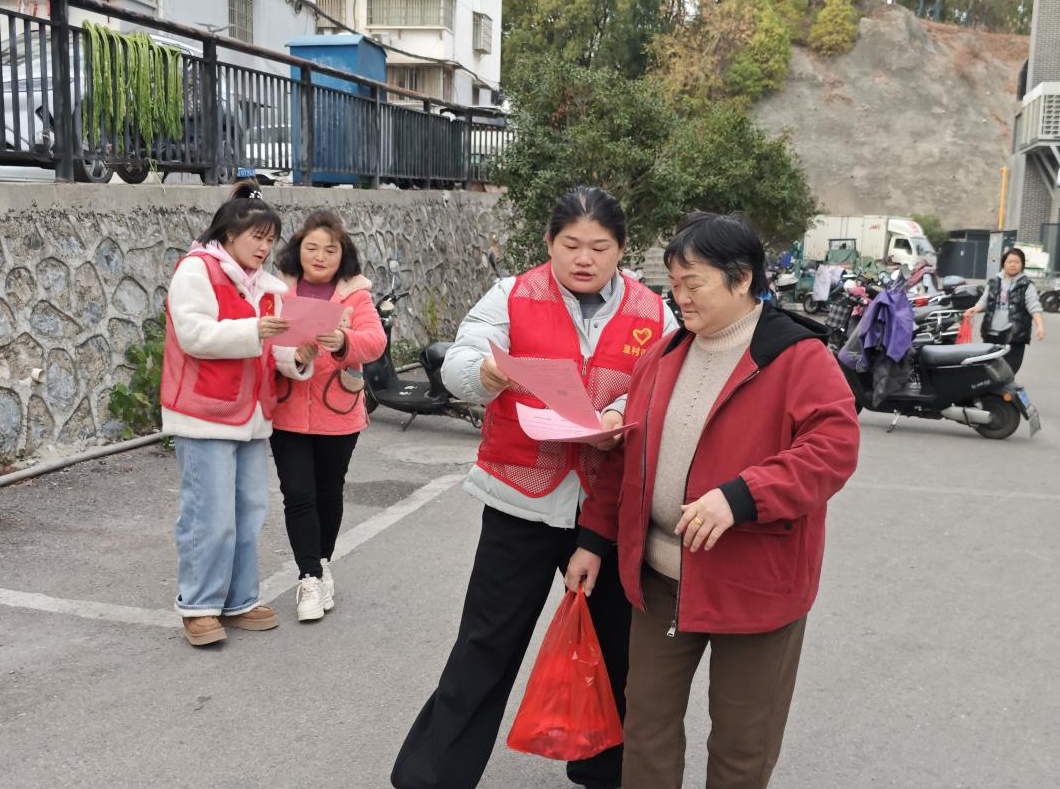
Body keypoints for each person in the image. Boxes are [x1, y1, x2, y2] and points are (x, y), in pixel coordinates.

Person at [390, 186, 680, 789]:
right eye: (570, 244)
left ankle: (604, 771)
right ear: (549, 243)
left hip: (606, 506)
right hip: (520, 500)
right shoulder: (513, 294)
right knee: (487, 643)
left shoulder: (653, 312)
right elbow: (459, 362)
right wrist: (487, 371)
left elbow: (668, 384)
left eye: (599, 246)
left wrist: (620, 412)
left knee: (615, 648)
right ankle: (432, 777)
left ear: (621, 250)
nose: (584, 258)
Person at [566, 212, 860, 789]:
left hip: (754, 587)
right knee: (646, 726)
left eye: (693, 282)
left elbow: (833, 449)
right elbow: (627, 459)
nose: (680, 297)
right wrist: (593, 540)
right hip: (660, 580)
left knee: (741, 742)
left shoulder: (797, 357)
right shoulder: (664, 355)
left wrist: (742, 496)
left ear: (742, 278)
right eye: (674, 283)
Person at [162, 182, 318, 647]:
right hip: (205, 411)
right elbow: (193, 335)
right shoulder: (196, 269)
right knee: (209, 515)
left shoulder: (265, 286)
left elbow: (270, 348)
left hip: (250, 413)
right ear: (229, 234)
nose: (265, 248)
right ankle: (199, 605)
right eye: (257, 237)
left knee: (248, 512)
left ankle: (239, 600)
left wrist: (298, 355)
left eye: (271, 240)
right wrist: (255, 330)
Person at [269, 211, 386, 622]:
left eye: (330, 250)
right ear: (297, 250)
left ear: (343, 255)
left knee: (328, 491)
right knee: (297, 493)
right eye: (312, 248)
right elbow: (262, 338)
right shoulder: (276, 289)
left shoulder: (356, 295)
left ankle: (321, 562)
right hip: (287, 409)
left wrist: (342, 340)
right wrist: (290, 353)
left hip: (338, 411)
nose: (319, 257)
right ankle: (309, 577)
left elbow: (375, 341)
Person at [963, 247, 1045, 374]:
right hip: (991, 334)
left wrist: (1040, 325)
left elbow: (1033, 306)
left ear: (1022, 264)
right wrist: (975, 309)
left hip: (1014, 336)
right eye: (1009, 261)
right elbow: (984, 301)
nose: (1013, 264)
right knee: (989, 372)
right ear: (1003, 263)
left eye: (1016, 262)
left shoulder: (1026, 285)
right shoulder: (994, 282)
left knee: (1008, 372)